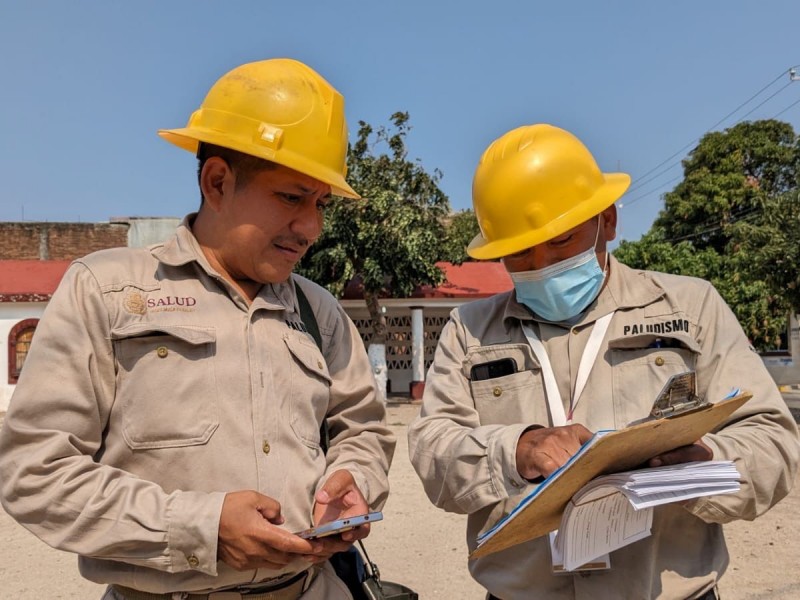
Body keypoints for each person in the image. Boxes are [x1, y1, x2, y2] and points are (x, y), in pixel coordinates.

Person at [0, 58, 395, 600]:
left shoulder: (317, 311)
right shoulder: (109, 290)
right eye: (291, 197)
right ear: (217, 182)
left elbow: (363, 429)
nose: (312, 227)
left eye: (322, 203)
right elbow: (34, 471)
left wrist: (354, 481)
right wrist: (200, 527)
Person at [408, 123, 800, 600]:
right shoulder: (469, 329)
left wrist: (702, 466)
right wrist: (519, 450)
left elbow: (774, 441)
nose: (541, 264)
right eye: (519, 253)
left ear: (607, 221)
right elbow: (434, 450)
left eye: (560, 241)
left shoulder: (691, 308)